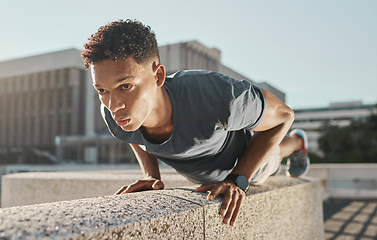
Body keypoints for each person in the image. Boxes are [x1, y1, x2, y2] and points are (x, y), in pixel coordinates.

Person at [81, 19, 310, 226]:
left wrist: (237, 179)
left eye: (125, 86)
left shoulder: (214, 95)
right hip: (206, 175)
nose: (113, 105)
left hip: (248, 159)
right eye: (101, 90)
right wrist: (152, 175)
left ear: (158, 76)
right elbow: (133, 136)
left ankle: (298, 143)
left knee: (276, 155)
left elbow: (284, 116)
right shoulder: (114, 114)